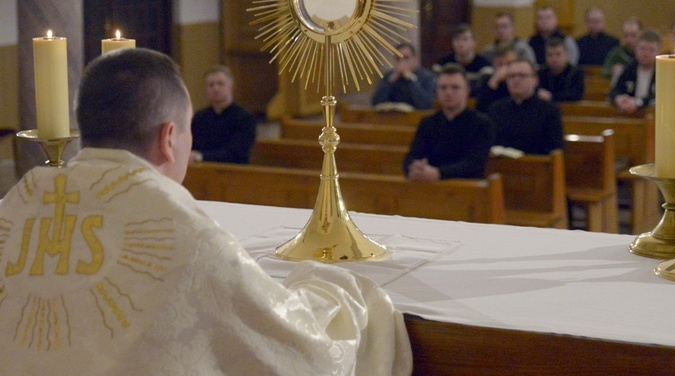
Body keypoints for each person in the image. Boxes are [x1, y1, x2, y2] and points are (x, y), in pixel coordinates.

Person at [0, 49, 411, 376]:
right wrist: (332, 288)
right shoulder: (186, 234)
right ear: (169, 138)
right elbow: (300, 349)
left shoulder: (17, 204)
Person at [403, 63, 493, 182]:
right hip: (428, 188)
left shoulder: (482, 123)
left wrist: (439, 173)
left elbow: (474, 164)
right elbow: (412, 156)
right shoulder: (428, 122)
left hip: (466, 190)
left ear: (466, 91)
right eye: (443, 88)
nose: (448, 92)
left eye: (455, 87)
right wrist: (414, 167)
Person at [488, 58, 563, 155]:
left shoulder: (550, 111)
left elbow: (555, 149)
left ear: (535, 80)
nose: (516, 80)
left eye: (522, 75)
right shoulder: (496, 109)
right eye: (511, 76)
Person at [190, 65, 256, 164]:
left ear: (231, 88)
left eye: (220, 84)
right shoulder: (199, 117)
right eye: (211, 85)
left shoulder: (245, 118)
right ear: (205, 90)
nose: (215, 88)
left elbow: (236, 154)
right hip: (201, 171)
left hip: (234, 173)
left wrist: (200, 157)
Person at [609, 28, 662, 115]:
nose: (646, 53)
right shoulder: (628, 69)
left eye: (651, 50)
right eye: (642, 48)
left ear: (658, 52)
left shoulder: (663, 73)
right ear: (636, 49)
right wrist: (619, 98)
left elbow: (660, 97)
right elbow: (615, 90)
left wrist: (638, 102)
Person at [372, 42, 436, 109]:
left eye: (406, 58)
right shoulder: (389, 77)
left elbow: (426, 105)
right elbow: (375, 103)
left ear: (414, 59)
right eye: (398, 59)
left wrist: (412, 81)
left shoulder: (426, 77)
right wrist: (389, 82)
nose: (402, 62)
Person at [433, 24, 493, 94]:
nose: (460, 44)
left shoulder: (484, 66)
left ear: (474, 43)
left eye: (465, 39)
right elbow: (435, 89)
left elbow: (485, 92)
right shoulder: (442, 64)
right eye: (457, 39)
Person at [476, 43, 520, 113]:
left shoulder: (522, 80)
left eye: (509, 63)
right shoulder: (487, 80)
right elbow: (481, 109)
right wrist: (493, 83)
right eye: (500, 64)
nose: (504, 68)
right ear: (494, 64)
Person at [538, 37, 585, 102]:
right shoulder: (541, 72)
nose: (554, 59)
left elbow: (576, 95)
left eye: (558, 54)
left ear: (566, 56)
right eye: (550, 55)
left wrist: (551, 96)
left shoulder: (576, 72)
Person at [602, 17, 642, 81]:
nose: (629, 40)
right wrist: (612, 70)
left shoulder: (646, 54)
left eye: (633, 35)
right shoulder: (616, 53)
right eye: (626, 35)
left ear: (641, 34)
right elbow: (605, 71)